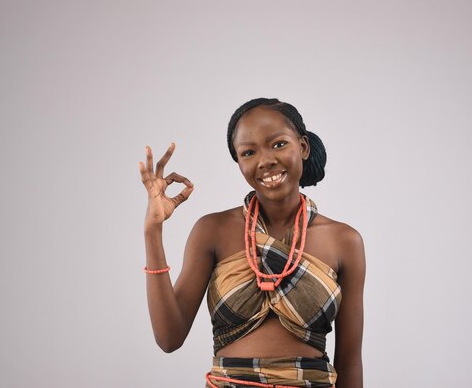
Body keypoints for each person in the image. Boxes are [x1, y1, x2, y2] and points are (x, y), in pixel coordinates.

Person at [139, 98, 365, 388]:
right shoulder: (212, 231)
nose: (265, 160)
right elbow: (169, 338)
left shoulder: (344, 241)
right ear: (239, 162)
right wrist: (152, 231)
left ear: (304, 147)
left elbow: (349, 361)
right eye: (248, 152)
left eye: (279, 144)